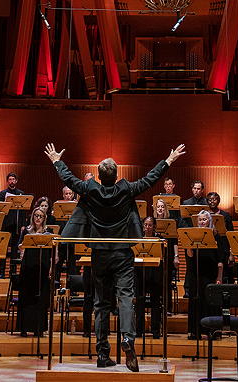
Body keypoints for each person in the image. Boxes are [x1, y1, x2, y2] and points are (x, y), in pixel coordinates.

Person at [45, 141, 185, 372]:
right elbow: (150, 179)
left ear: (99, 176)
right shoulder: (126, 189)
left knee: (101, 304)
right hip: (122, 253)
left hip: (99, 253)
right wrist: (168, 161)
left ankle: (102, 354)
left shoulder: (90, 189)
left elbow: (69, 179)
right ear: (116, 174)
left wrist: (56, 161)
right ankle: (128, 339)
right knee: (126, 298)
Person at [184, 209, 225, 339]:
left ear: (209, 221)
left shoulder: (215, 235)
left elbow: (220, 259)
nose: (202, 222)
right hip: (196, 274)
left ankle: (212, 331)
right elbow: (190, 256)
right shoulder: (193, 234)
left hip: (210, 273)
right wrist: (188, 244)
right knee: (195, 301)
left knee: (210, 302)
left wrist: (219, 277)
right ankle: (195, 331)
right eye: (200, 220)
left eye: (204, 219)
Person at [16, 205, 54, 336]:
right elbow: (19, 247)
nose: (38, 218)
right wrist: (24, 244)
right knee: (27, 296)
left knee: (41, 297)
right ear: (32, 217)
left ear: (44, 218)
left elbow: (51, 253)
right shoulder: (26, 231)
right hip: (28, 266)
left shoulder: (48, 232)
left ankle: (39, 328)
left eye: (41, 216)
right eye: (36, 216)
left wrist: (50, 268)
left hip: (42, 267)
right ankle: (24, 328)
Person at [134, 216, 163, 339]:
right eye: (145, 225)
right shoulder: (138, 239)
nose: (147, 227)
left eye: (150, 225)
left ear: (154, 226)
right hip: (140, 271)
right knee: (139, 301)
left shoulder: (159, 239)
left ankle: (155, 330)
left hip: (155, 272)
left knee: (155, 302)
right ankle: (139, 330)